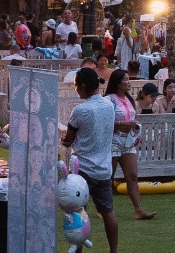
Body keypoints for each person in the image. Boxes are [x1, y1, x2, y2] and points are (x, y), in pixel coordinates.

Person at [64, 67, 120, 253]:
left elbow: (69, 138)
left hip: (83, 170)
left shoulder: (80, 110)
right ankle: (114, 250)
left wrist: (64, 141)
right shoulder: (109, 105)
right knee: (108, 212)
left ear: (82, 86)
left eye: (75, 86)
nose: (75, 90)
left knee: (78, 213)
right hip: (104, 168)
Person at [107, 70, 156, 221]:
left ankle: (139, 210)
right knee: (109, 176)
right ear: (118, 83)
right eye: (126, 79)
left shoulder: (129, 99)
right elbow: (105, 122)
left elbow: (133, 118)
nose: (129, 82)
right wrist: (123, 124)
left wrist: (135, 131)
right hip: (113, 140)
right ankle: (104, 209)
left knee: (132, 175)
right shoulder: (108, 100)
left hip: (128, 141)